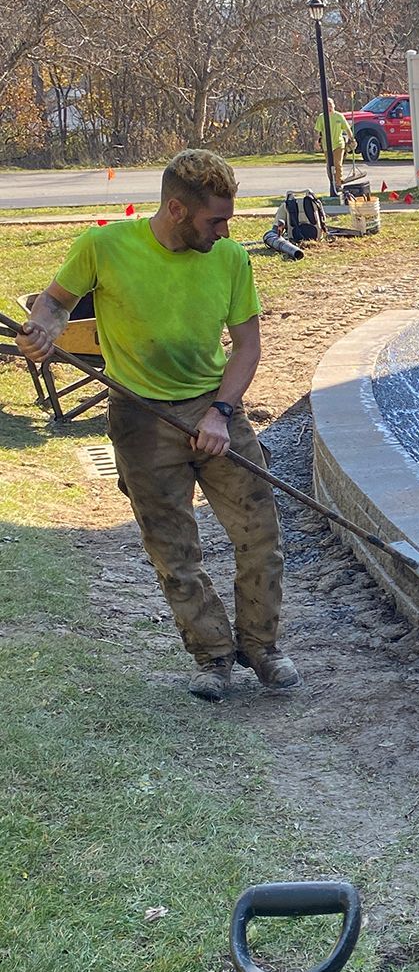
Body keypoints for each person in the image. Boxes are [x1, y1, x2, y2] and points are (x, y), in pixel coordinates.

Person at [18, 148, 297, 702]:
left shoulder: (230, 259)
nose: (225, 230)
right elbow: (53, 305)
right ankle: (214, 656)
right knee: (173, 548)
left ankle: (262, 648)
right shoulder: (103, 247)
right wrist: (40, 333)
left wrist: (221, 411)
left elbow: (247, 346)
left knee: (260, 536)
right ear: (176, 209)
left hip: (214, 407)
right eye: (215, 220)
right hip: (140, 417)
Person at [315, 98, 354, 192]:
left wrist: (352, 139)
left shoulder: (339, 116)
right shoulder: (321, 117)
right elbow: (318, 131)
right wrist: (316, 141)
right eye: (327, 106)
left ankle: (338, 183)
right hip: (327, 145)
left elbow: (347, 129)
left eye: (331, 106)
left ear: (334, 106)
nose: (329, 108)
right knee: (329, 165)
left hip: (338, 144)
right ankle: (332, 182)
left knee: (337, 164)